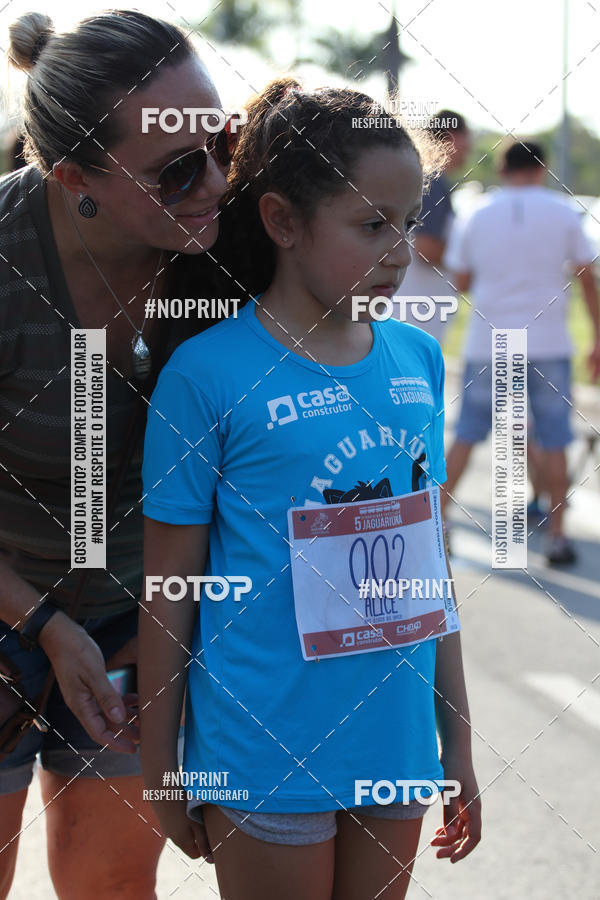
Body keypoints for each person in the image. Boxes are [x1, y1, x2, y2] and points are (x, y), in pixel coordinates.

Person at [140, 79, 481, 900]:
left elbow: (427, 568)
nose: (399, 250)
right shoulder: (207, 375)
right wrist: (161, 767)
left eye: (408, 223)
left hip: (394, 750)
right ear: (284, 221)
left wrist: (457, 743)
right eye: (371, 225)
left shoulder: (417, 361)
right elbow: (169, 590)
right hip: (262, 748)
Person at [0, 10, 235, 898]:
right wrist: (42, 628)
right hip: (9, 598)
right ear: (73, 177)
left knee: (108, 889)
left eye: (222, 140)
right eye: (178, 169)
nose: (216, 180)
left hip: (137, 613)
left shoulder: (228, 249)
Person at [442, 140, 600, 565]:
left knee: (468, 432)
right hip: (548, 340)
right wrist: (598, 338)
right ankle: (558, 537)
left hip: (488, 338)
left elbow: (461, 278)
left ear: (502, 168)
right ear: (541, 167)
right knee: (553, 436)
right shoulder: (564, 212)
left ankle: (437, 520)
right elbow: (587, 276)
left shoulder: (476, 213)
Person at [393, 110, 471, 343]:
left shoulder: (422, 177)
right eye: (466, 139)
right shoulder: (433, 181)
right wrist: (470, 263)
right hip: (416, 315)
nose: (469, 148)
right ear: (451, 137)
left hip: (410, 311)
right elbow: (427, 249)